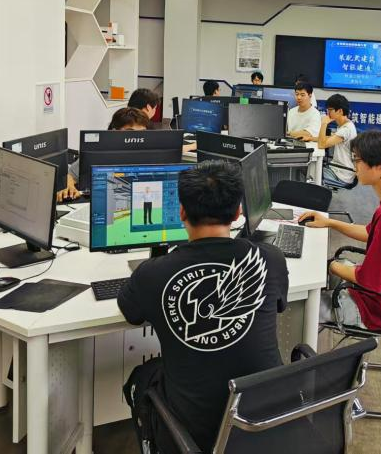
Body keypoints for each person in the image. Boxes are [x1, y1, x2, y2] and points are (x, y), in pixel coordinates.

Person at [119, 161, 288, 454]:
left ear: (182, 212)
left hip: (196, 435)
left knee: (142, 376)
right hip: (267, 424)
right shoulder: (270, 259)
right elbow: (279, 305)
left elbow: (131, 312)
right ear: (237, 213)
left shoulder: (152, 273)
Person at [299, 130, 381, 331]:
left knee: (303, 304)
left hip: (378, 308)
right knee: (326, 272)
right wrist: (330, 223)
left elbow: (370, 280)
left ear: (379, 166)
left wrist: (330, 266)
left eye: (357, 160)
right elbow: (369, 233)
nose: (354, 166)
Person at [57, 107, 150, 202]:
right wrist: (69, 187)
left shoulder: (150, 152)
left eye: (142, 133)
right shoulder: (99, 152)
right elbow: (70, 175)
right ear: (114, 132)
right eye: (130, 132)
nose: (137, 138)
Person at [315, 94, 358, 186]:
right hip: (337, 169)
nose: (328, 113)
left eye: (330, 110)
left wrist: (324, 123)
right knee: (312, 169)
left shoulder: (346, 130)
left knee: (312, 173)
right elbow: (330, 138)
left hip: (342, 174)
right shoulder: (345, 125)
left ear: (340, 111)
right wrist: (311, 138)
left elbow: (321, 145)